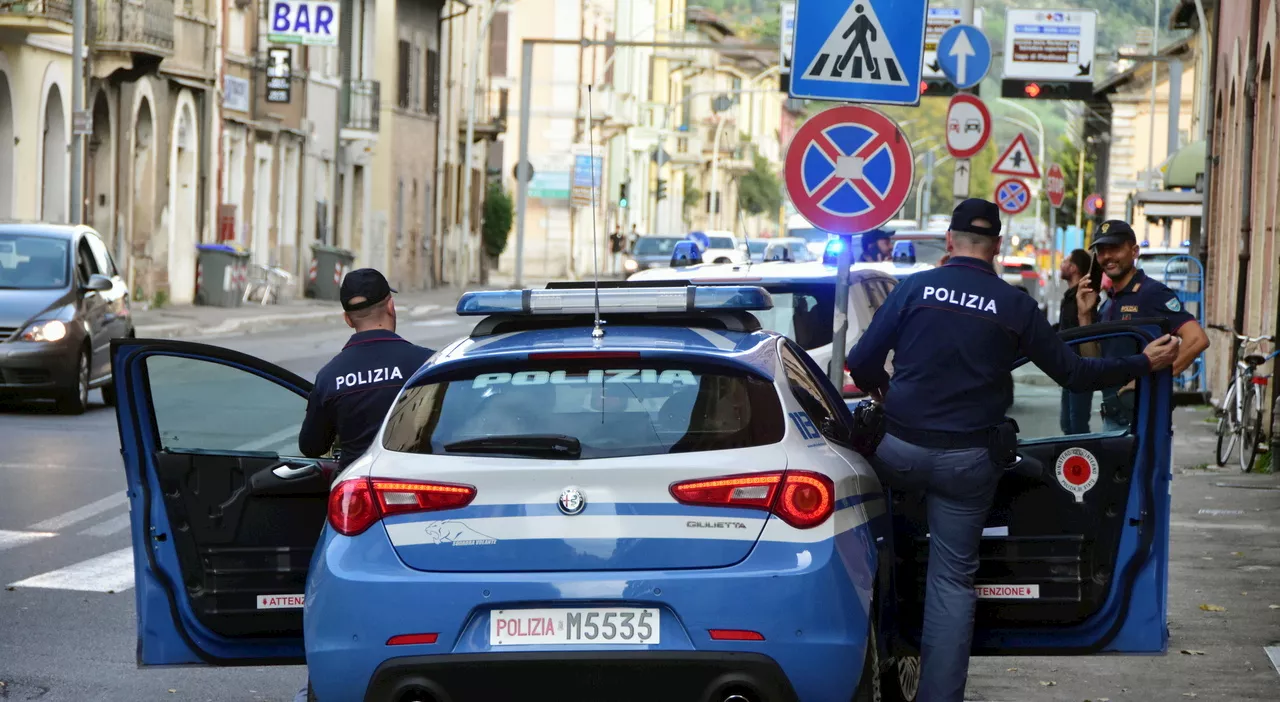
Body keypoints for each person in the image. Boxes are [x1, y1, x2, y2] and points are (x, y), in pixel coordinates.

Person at [846, 199, 1179, 702]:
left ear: (951, 241)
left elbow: (861, 360)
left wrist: (883, 392)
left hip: (900, 452)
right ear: (998, 247)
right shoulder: (1014, 304)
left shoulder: (914, 288)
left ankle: (872, 656)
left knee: (874, 552)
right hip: (969, 463)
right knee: (952, 580)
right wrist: (1140, 362)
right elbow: (1074, 374)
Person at [1076, 220, 1210, 431]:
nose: (1107, 256)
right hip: (1113, 418)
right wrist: (1084, 315)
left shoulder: (1152, 293)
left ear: (1134, 251)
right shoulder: (1108, 302)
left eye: (1115, 248)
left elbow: (1197, 339)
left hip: (1144, 418)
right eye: (1101, 251)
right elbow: (1093, 362)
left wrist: (1149, 382)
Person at [298, 269, 435, 467]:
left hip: (357, 489)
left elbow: (312, 447)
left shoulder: (329, 377)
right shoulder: (427, 363)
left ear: (348, 319)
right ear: (390, 306)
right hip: (418, 483)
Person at [1057, 249, 1100, 434]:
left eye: (1065, 261)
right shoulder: (1070, 296)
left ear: (1073, 268)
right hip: (1069, 368)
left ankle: (1083, 459)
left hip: (1080, 367)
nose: (1061, 264)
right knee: (1067, 423)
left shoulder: (1082, 297)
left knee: (1077, 424)